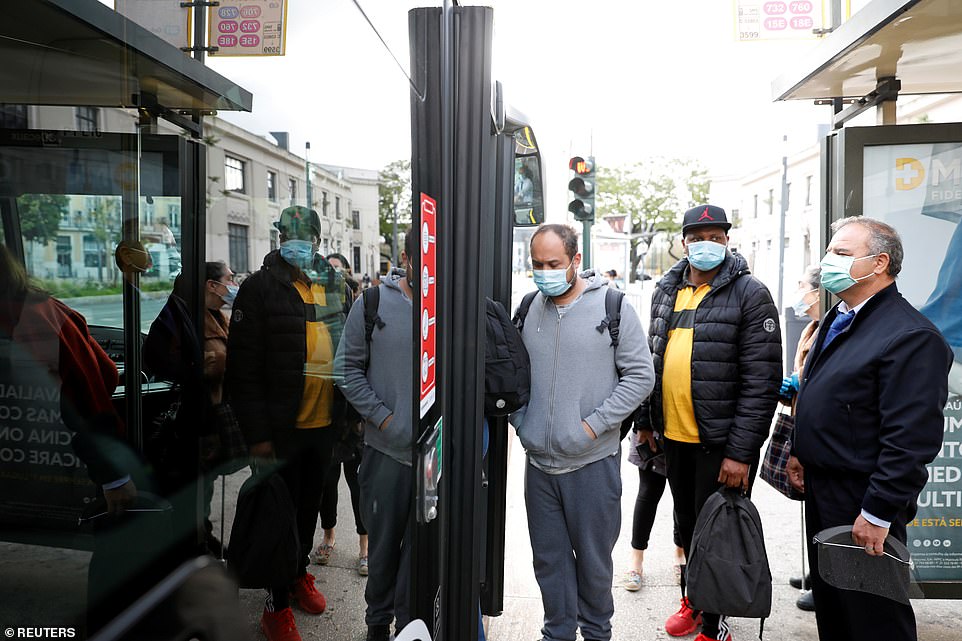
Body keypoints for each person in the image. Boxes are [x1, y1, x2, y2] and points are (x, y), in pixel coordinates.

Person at [787, 217, 953, 641]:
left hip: (863, 501)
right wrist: (801, 451)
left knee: (873, 620)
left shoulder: (910, 335)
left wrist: (877, 511)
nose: (827, 261)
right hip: (825, 492)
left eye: (840, 253)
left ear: (879, 263)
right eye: (828, 252)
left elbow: (911, 439)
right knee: (837, 612)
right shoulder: (839, 318)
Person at [634, 205, 781, 641]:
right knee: (685, 525)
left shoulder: (750, 293)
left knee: (719, 531)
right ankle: (693, 601)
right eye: (698, 238)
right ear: (684, 242)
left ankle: (715, 624)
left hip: (721, 443)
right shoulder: (667, 289)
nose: (707, 245)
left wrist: (740, 452)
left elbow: (762, 380)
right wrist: (645, 420)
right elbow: (651, 358)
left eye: (716, 237)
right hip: (673, 436)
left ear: (728, 242)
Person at [511, 223, 654, 641]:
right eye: (537, 264)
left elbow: (640, 377)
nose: (544, 272)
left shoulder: (612, 306)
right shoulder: (528, 306)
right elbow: (512, 376)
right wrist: (522, 422)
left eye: (553, 263)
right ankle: (556, 634)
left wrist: (591, 427)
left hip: (592, 464)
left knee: (593, 564)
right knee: (549, 561)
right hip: (539, 465)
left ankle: (596, 634)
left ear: (575, 261)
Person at [0, 244, 137, 632]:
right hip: (55, 452)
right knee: (121, 530)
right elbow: (95, 386)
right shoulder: (40, 314)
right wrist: (112, 475)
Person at [227, 206, 346, 641]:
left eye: (304, 234)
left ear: (316, 239)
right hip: (279, 430)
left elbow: (348, 347)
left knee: (309, 508)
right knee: (278, 516)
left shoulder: (333, 285)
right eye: (287, 233)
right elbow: (242, 370)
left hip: (323, 424)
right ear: (279, 237)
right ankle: (275, 605)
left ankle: (297, 575)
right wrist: (256, 436)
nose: (296, 241)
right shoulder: (258, 289)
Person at [335, 231, 418, 641]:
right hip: (387, 453)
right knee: (383, 550)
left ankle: (410, 624)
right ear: (405, 256)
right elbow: (347, 369)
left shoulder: (453, 304)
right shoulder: (372, 303)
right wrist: (385, 420)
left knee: (422, 554)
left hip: (438, 459)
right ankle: (377, 626)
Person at [144, 261, 239, 557]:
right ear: (211, 285)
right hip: (192, 416)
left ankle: (202, 533)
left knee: (206, 483)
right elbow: (164, 361)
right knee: (191, 486)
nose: (233, 284)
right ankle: (188, 544)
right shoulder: (183, 318)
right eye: (229, 279)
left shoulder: (219, 316)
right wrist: (209, 366)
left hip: (214, 414)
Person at [314, 252, 368, 576]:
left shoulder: (358, 319)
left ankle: (365, 544)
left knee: (358, 483)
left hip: (354, 418)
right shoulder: (315, 320)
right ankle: (329, 534)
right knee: (327, 483)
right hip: (326, 416)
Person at [777, 265, 822, 612]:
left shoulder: (829, 328)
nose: (800, 295)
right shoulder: (812, 327)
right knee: (810, 507)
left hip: (818, 429)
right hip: (801, 420)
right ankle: (816, 574)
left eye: (804, 288)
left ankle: (823, 584)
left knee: (824, 510)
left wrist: (800, 382)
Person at [623, 429, 685, 591]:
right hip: (652, 427)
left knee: (682, 493)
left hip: (685, 428)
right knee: (648, 491)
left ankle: (681, 553)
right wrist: (643, 423)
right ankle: (636, 559)